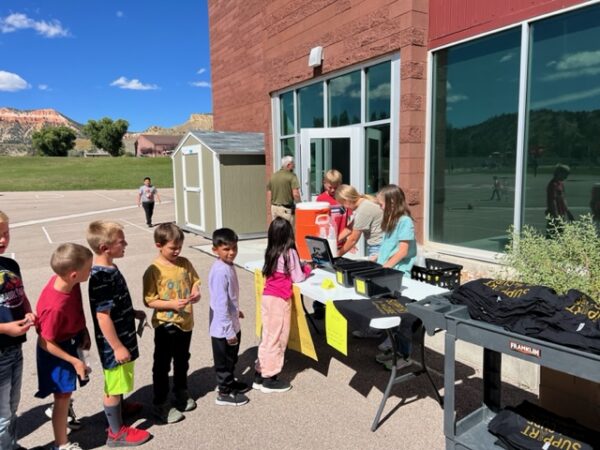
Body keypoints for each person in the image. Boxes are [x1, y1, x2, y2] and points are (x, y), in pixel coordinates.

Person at [87, 220, 151, 447]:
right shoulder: (101, 276)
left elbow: (113, 304)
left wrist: (131, 311)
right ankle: (116, 433)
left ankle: (120, 409)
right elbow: (102, 316)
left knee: (120, 380)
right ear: (105, 247)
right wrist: (117, 346)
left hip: (124, 333)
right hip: (114, 343)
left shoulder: (111, 267)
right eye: (121, 241)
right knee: (113, 384)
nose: (126, 244)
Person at [35, 243, 93, 450]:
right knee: (62, 395)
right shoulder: (54, 307)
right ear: (74, 275)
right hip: (56, 350)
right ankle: (61, 444)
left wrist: (84, 329)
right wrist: (73, 360)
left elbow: (77, 306)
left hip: (71, 340)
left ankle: (63, 411)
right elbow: (44, 341)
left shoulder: (71, 283)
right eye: (89, 268)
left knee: (67, 390)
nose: (91, 271)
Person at [143, 223, 201, 423]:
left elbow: (195, 281)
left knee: (182, 359)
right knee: (162, 364)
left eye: (179, 247)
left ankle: (180, 392)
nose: (177, 251)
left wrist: (196, 291)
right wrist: (171, 304)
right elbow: (149, 300)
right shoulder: (153, 270)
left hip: (185, 322)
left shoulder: (184, 263)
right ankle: (160, 403)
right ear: (159, 245)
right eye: (172, 248)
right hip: (166, 324)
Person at [254, 217, 312, 393]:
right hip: (280, 300)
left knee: (267, 337)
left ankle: (260, 371)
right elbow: (298, 277)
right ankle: (270, 378)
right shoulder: (290, 253)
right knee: (277, 338)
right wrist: (308, 268)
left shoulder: (271, 251)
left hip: (268, 297)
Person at [0, 211, 36, 450]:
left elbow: (20, 295)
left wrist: (29, 312)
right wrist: (5, 328)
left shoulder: (11, 264)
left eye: (5, 233)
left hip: (15, 348)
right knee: (2, 413)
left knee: (13, 406)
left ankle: (10, 445)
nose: (3, 240)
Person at [373, 185, 418, 370]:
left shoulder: (405, 221)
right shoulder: (391, 218)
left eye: (382, 204)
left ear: (392, 202)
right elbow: (387, 245)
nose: (380, 207)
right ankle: (394, 348)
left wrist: (387, 265)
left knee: (400, 315)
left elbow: (403, 251)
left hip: (399, 274)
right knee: (388, 311)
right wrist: (376, 258)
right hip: (388, 271)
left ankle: (405, 355)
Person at [208, 228, 250, 406]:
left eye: (234, 248)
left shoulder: (227, 267)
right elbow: (219, 303)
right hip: (223, 329)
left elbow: (229, 296)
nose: (231, 252)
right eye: (226, 249)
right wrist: (228, 331)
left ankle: (230, 383)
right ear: (215, 250)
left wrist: (236, 310)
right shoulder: (220, 271)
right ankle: (224, 392)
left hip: (231, 321)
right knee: (224, 361)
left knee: (231, 358)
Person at [335, 184, 383, 258]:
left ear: (347, 200)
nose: (344, 207)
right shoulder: (364, 204)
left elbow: (353, 239)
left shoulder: (364, 209)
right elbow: (350, 228)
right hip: (378, 246)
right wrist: (334, 241)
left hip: (378, 247)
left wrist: (337, 255)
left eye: (342, 204)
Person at [315, 169, 349, 243]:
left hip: (342, 239)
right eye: (330, 187)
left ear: (340, 184)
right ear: (324, 183)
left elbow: (350, 219)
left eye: (336, 187)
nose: (333, 190)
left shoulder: (344, 198)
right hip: (328, 240)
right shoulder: (321, 199)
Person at [267, 156, 301, 224]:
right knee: (288, 231)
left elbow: (269, 194)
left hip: (274, 208)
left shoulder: (273, 176)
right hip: (286, 210)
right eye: (293, 164)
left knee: (277, 230)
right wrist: (300, 204)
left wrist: (270, 206)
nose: (294, 166)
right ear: (288, 165)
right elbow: (296, 194)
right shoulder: (292, 176)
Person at [546, 164, 573, 237]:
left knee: (559, 234)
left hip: (561, 213)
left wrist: (568, 212)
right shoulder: (553, 185)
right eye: (565, 175)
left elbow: (563, 199)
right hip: (554, 214)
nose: (566, 177)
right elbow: (553, 201)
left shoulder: (560, 184)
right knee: (553, 235)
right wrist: (556, 215)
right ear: (559, 173)